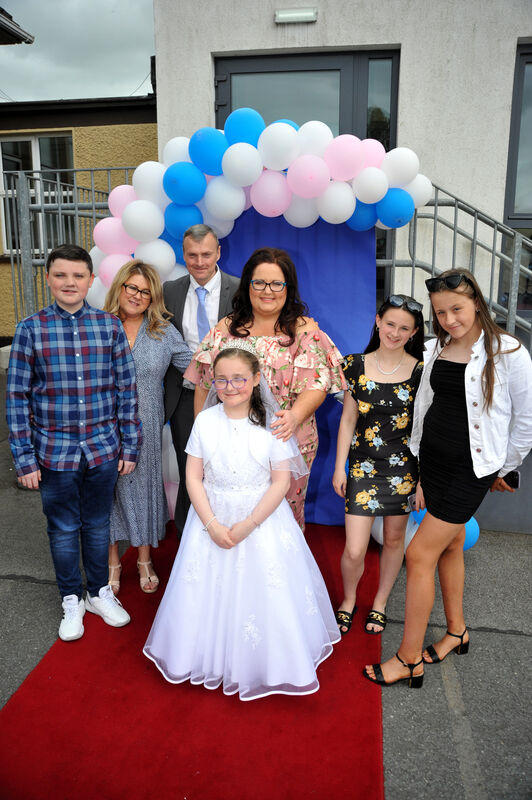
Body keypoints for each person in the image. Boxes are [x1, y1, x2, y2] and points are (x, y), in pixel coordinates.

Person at [143, 341, 340, 700]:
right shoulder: (205, 421)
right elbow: (193, 478)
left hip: (261, 518)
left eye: (239, 379)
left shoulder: (273, 425)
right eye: (221, 380)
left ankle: (265, 659)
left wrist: (249, 524)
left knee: (266, 591)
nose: (230, 387)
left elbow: (281, 482)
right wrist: (211, 525)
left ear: (256, 378)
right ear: (213, 383)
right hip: (212, 515)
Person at [364, 269, 532, 688]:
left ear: (476, 302)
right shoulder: (435, 346)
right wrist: (418, 462)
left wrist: (503, 467)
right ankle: (457, 632)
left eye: (457, 308)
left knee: (420, 554)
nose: (450, 319)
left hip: (469, 471)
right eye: (441, 312)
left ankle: (408, 659)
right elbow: (425, 404)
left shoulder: (508, 352)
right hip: (434, 465)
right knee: (452, 544)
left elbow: (526, 421)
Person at [6, 243, 141, 641]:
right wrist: (24, 459)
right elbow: (17, 397)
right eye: (61, 275)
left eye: (78, 275)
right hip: (54, 451)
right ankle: (71, 597)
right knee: (63, 527)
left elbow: (126, 390)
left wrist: (129, 445)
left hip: (103, 448)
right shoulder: (30, 330)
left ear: (90, 280)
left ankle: (98, 592)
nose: (70, 282)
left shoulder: (109, 326)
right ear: (48, 278)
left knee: (98, 523)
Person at [184, 246, 347, 529]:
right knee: (234, 515)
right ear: (247, 285)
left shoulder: (305, 331)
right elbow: (203, 384)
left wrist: (294, 417)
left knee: (284, 520)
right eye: (259, 282)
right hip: (231, 441)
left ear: (288, 287)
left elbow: (317, 385)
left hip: (288, 437)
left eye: (276, 284)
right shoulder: (224, 330)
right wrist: (204, 434)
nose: (267, 291)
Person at [332, 295, 424, 636]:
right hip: (362, 466)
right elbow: (347, 420)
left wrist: (422, 480)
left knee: (394, 540)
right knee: (354, 549)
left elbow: (424, 429)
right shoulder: (354, 365)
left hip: (403, 469)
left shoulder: (421, 372)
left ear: (414, 333)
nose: (395, 333)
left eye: (404, 328)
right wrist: (339, 467)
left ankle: (381, 603)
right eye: (390, 324)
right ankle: (349, 600)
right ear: (377, 321)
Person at [103, 260, 192, 594]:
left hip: (145, 422)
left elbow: (193, 369)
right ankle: (112, 562)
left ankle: (143, 559)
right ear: (120, 287)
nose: (137, 296)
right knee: (106, 493)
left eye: (145, 291)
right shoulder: (99, 326)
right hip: (101, 423)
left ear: (153, 298)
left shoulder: (163, 332)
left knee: (142, 490)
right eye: (132, 287)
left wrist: (232, 381)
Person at [163, 224, 239, 534]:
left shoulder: (240, 289)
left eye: (206, 254)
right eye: (192, 255)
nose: (199, 262)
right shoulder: (170, 291)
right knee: (190, 468)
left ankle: (228, 530)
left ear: (218, 253)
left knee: (229, 467)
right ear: (184, 255)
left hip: (232, 396)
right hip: (185, 395)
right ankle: (189, 537)